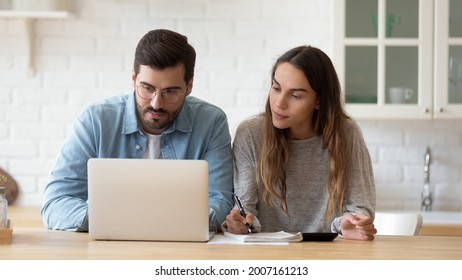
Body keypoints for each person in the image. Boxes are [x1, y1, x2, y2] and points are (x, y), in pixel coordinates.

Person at [42, 29, 234, 232]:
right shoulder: (95, 121)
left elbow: (221, 202)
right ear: (133, 78)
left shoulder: (211, 123)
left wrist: (143, 220)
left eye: (171, 92)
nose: (156, 103)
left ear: (189, 86)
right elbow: (56, 204)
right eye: (147, 88)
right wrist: (118, 220)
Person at [224, 45, 377, 241]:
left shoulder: (347, 134)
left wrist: (348, 224)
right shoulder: (251, 134)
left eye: (295, 95)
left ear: (319, 101)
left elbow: (360, 206)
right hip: (267, 253)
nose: (279, 103)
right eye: (276, 88)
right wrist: (240, 223)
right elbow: (245, 208)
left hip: (327, 252)